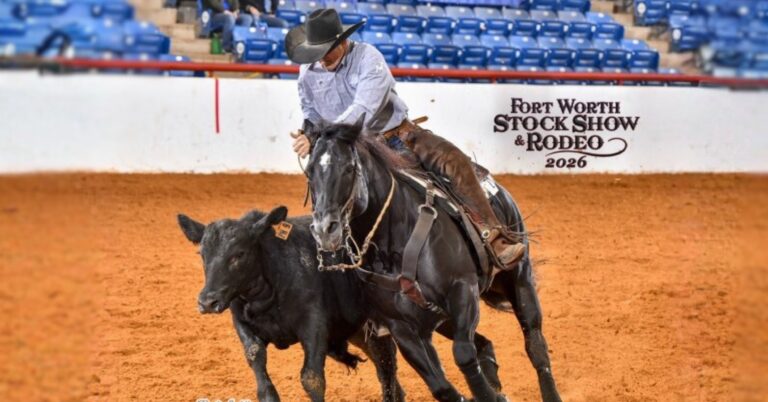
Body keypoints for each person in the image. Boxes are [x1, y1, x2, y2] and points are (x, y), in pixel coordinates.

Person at [285, 9, 526, 272]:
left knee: (454, 162)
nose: (320, 59)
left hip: (398, 137)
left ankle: (492, 235)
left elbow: (362, 109)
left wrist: (323, 135)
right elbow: (310, 113)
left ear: (341, 42)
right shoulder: (307, 72)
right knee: (331, 194)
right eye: (315, 52)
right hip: (352, 150)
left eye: (325, 51)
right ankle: (339, 257)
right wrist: (309, 135)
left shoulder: (368, 58)